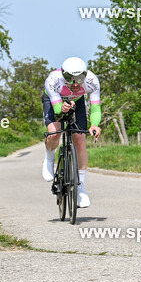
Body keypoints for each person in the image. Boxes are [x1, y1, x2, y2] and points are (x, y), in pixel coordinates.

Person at [41, 57, 102, 208]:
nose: (75, 83)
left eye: (79, 78)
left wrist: (95, 124)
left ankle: (81, 188)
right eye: (70, 78)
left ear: (85, 75)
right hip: (55, 99)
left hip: (78, 100)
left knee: (80, 141)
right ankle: (49, 158)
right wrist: (62, 108)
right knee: (55, 132)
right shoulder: (53, 80)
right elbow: (57, 109)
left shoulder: (92, 81)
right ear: (63, 74)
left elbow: (95, 108)